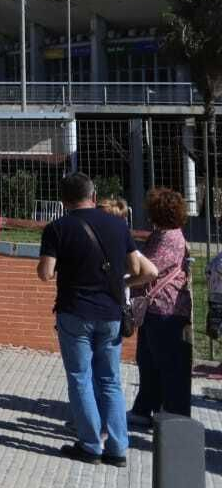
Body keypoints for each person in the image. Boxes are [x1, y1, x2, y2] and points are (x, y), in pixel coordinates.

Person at [40, 172, 157, 465]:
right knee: (110, 380)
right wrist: (119, 285)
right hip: (111, 313)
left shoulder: (57, 228)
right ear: (93, 196)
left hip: (75, 310)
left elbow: (45, 273)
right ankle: (118, 447)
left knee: (80, 378)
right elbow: (136, 267)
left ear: (64, 200)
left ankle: (91, 444)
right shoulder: (118, 226)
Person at [129, 187, 193, 422]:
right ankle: (144, 409)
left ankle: (173, 415)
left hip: (166, 309)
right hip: (154, 308)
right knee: (147, 361)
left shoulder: (169, 238)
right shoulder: (163, 234)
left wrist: (126, 281)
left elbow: (147, 270)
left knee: (166, 363)